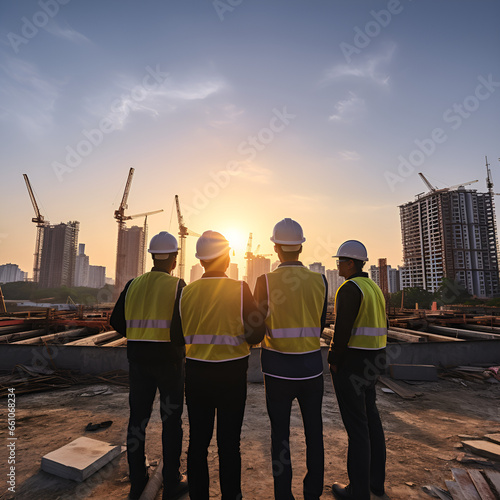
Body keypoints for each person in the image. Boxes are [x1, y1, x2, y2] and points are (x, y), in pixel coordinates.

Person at [175, 230, 266, 500]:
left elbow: (176, 337)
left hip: (196, 374)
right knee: (229, 444)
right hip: (232, 376)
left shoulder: (186, 293)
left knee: (197, 443)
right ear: (227, 259)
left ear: (201, 261)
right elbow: (257, 334)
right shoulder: (240, 290)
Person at [110, 231, 188, 500]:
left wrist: (138, 335)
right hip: (169, 364)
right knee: (171, 422)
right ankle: (172, 479)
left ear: (152, 257)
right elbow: (182, 330)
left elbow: (117, 322)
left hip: (139, 362)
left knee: (137, 421)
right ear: (175, 259)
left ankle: (137, 477)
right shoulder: (178, 286)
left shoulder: (133, 284)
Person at [253, 218, 328, 500]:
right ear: (300, 247)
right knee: (314, 433)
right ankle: (313, 493)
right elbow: (319, 324)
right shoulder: (319, 280)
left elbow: (257, 327)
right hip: (311, 370)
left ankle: (283, 495)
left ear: (276, 248)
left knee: (280, 437)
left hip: (277, 371)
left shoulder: (265, 282)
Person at [328, 240, 387, 500]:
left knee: (357, 427)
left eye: (340, 260)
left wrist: (333, 358)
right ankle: (375, 483)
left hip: (352, 363)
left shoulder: (349, 288)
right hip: (373, 360)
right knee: (371, 420)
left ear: (351, 263)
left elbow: (342, 331)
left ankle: (357, 491)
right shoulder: (374, 288)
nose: (337, 265)